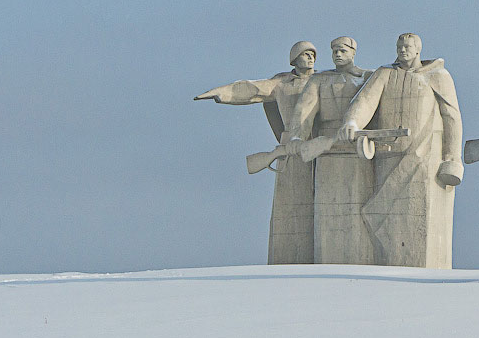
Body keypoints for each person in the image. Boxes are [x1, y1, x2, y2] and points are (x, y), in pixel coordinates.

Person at [339, 33, 463, 267]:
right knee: (381, 216)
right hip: (387, 156)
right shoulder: (384, 74)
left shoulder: (437, 76)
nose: (402, 50)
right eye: (399, 47)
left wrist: (452, 158)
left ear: (418, 50)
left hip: (424, 159)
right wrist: (352, 122)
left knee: (420, 219)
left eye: (407, 47)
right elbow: (365, 101)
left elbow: (452, 117)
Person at [194, 41, 317, 264]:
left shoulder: (323, 80)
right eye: (305, 54)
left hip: (319, 144)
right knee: (291, 207)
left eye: (312, 55)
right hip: (291, 145)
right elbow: (252, 89)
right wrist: (220, 92)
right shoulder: (281, 83)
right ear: (294, 59)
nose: (310, 58)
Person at [285, 36, 375, 264]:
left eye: (342, 50)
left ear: (353, 53)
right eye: (334, 50)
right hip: (327, 151)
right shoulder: (319, 80)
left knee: (358, 210)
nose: (337, 54)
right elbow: (303, 112)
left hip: (357, 153)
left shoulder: (368, 78)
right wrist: (297, 136)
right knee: (328, 213)